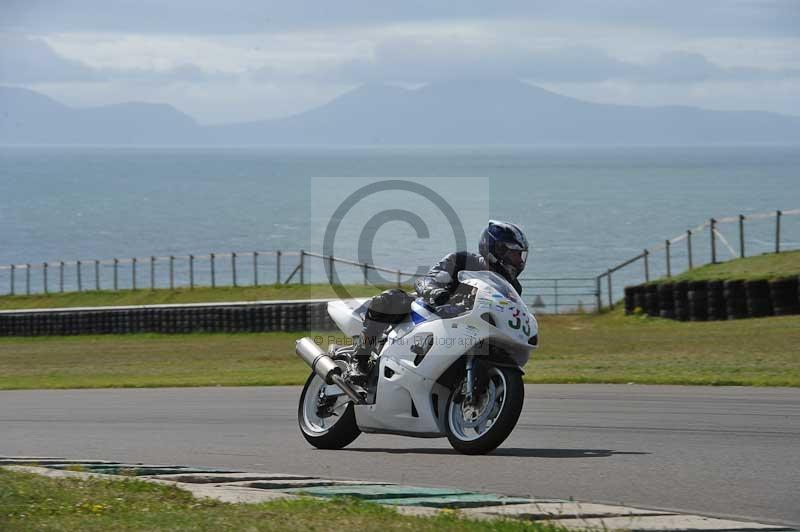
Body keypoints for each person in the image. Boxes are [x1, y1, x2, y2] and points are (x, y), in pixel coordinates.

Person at [348, 220, 529, 382]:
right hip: (432, 312)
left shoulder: (512, 287)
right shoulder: (462, 260)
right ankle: (358, 360)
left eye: (520, 255)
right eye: (515, 254)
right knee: (390, 299)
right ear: (497, 250)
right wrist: (435, 292)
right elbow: (426, 280)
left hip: (469, 327)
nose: (519, 261)